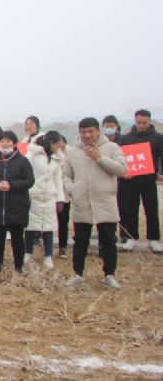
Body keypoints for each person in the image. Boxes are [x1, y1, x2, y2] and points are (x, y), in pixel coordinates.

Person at [63, 118, 127, 290]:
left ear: (98, 131)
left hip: (105, 201)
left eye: (91, 131)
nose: (87, 135)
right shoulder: (73, 152)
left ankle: (109, 274)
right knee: (80, 240)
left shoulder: (111, 148)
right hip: (82, 201)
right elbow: (66, 174)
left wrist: (100, 158)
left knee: (108, 240)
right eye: (83, 132)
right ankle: (78, 273)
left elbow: (122, 169)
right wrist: (72, 188)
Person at [0, 131, 34, 273]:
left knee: (17, 239)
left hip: (16, 207)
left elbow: (30, 181)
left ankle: (19, 266)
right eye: (3, 141)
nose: (5, 144)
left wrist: (12, 185)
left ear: (15, 144)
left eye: (8, 141)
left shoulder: (22, 161)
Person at [118, 109, 163, 252]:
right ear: (134, 121)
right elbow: (121, 158)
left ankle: (154, 238)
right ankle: (131, 237)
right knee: (130, 209)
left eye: (144, 123)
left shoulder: (157, 137)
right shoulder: (126, 138)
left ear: (149, 121)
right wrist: (123, 173)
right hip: (131, 180)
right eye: (139, 122)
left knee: (151, 209)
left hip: (149, 179)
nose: (141, 125)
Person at [24, 131, 65, 269]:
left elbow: (58, 180)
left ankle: (48, 256)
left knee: (49, 227)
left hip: (49, 196)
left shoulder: (57, 158)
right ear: (50, 143)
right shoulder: (33, 154)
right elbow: (25, 172)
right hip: (34, 194)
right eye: (57, 143)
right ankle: (27, 253)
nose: (59, 145)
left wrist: (60, 199)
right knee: (30, 226)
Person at [57, 135, 72, 258]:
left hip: (65, 194)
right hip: (51, 193)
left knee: (63, 222)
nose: (59, 144)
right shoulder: (50, 154)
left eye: (61, 141)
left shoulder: (71, 154)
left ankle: (63, 246)